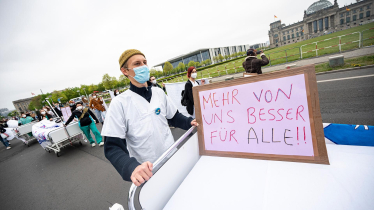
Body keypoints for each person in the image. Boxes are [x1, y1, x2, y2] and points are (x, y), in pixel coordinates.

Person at [102, 49, 198, 187]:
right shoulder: (119, 103)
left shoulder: (159, 93)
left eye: (145, 62)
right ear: (125, 71)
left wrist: (190, 122)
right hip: (148, 171)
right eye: (137, 63)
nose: (143, 66)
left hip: (172, 157)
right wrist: (131, 167)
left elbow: (174, 117)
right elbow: (112, 147)